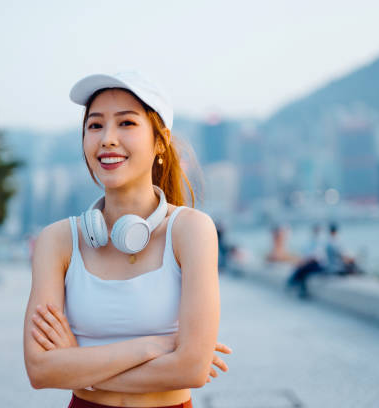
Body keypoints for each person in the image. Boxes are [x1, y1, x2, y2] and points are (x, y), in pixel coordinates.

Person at [23, 71, 232, 408]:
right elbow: (39, 370)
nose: (107, 138)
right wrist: (152, 347)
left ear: (160, 141)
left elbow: (192, 368)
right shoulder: (57, 240)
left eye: (126, 123)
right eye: (95, 125)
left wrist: (76, 364)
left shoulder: (191, 231)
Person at [285, 224, 326, 298]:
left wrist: (303, 262)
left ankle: (292, 282)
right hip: (312, 264)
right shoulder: (313, 241)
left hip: (318, 265)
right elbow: (308, 255)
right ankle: (300, 289)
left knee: (302, 270)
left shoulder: (320, 242)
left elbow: (316, 257)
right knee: (303, 271)